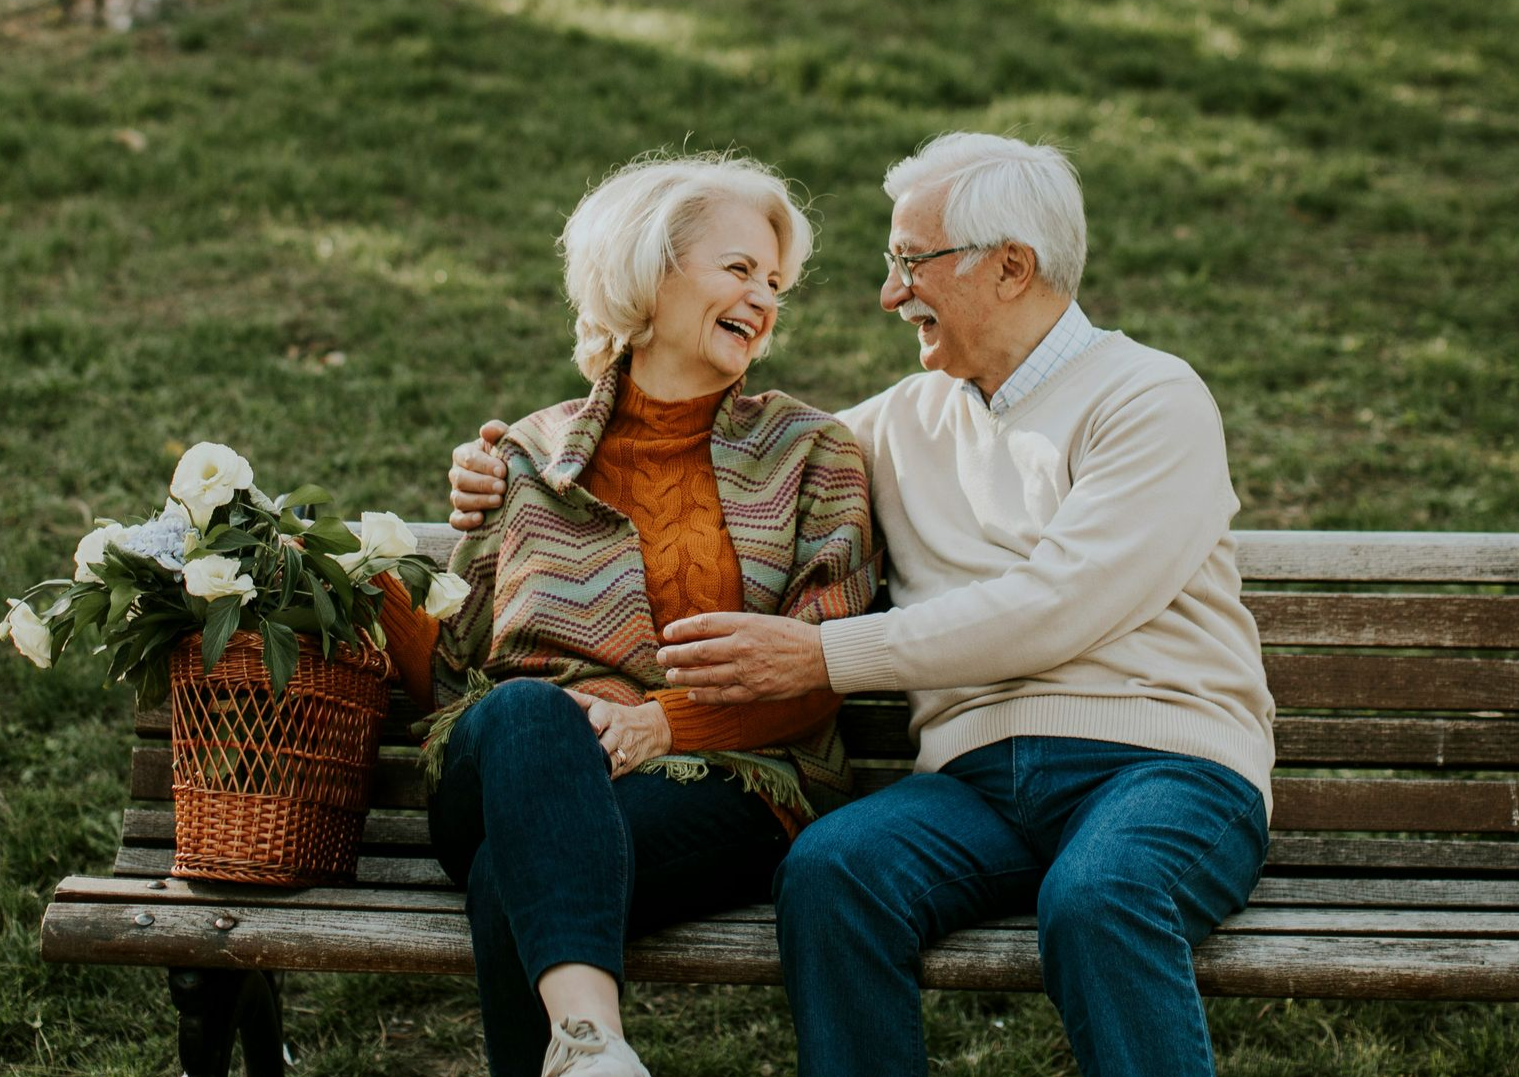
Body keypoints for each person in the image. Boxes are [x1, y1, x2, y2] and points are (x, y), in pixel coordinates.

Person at [451, 133, 1275, 1077]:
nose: (889, 295)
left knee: (1098, 898)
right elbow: (700, 450)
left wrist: (825, 660)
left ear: (1011, 267)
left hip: (1163, 766)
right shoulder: (897, 423)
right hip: (979, 785)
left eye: (909, 263)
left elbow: (1062, 604)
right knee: (835, 872)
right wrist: (503, 472)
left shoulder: (1148, 397)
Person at [400, 150, 876, 1077]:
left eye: (774, 281)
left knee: (514, 877)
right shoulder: (531, 453)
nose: (763, 297)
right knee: (531, 713)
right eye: (738, 268)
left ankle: (589, 1044)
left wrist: (664, 723)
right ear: (647, 272)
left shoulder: (814, 454)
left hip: (730, 776)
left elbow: (825, 662)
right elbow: (456, 674)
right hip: (523, 765)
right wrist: (355, 580)